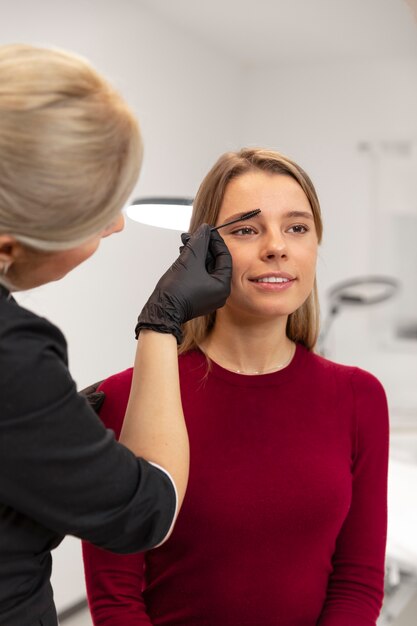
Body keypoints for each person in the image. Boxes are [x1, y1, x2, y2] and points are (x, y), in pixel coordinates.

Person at [82, 147, 390, 626]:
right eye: (247, 229)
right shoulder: (124, 398)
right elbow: (115, 597)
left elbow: (358, 579)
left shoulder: (358, 397)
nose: (276, 246)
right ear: (201, 251)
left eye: (297, 227)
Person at [0, 44, 232, 626]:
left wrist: (38, 435)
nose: (119, 223)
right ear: (9, 244)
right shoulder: (17, 360)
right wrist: (162, 320)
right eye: (100, 213)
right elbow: (145, 512)